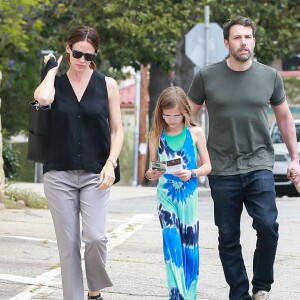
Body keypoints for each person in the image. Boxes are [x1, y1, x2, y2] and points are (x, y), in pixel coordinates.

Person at [188, 16, 300, 300]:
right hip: (222, 168)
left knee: (267, 225)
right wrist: (187, 157)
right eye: (237, 37)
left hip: (259, 163)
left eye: (248, 37)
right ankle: (239, 294)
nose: (243, 42)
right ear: (227, 43)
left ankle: (261, 286)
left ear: (254, 41)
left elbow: (285, 117)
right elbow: (189, 116)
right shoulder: (206, 76)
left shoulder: (269, 76)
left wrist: (295, 158)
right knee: (227, 236)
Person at [33, 26, 124, 300]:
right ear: (67, 49)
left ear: (96, 55)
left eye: (89, 55)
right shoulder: (55, 83)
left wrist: (111, 162)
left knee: (95, 237)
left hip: (96, 173)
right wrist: (51, 69)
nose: (82, 60)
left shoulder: (108, 84)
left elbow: (117, 130)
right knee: (68, 245)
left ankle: (94, 289)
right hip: (58, 173)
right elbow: (43, 99)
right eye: (77, 53)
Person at [145, 86, 211, 300]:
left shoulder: (196, 133)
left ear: (184, 111)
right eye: (166, 115)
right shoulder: (156, 134)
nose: (171, 120)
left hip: (189, 195)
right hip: (165, 194)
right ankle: (177, 295)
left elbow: (207, 166)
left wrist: (192, 172)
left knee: (189, 247)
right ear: (160, 113)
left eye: (176, 115)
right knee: (172, 244)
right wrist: (151, 174)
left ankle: (190, 295)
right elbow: (153, 168)